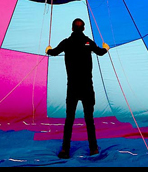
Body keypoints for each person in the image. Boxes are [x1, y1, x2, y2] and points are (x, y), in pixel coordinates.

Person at [45, 18, 109, 158]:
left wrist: (48, 50)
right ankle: (93, 149)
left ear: (72, 29)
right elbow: (100, 52)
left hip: (73, 87)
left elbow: (54, 52)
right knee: (89, 119)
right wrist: (106, 47)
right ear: (84, 29)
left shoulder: (66, 42)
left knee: (69, 119)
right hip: (87, 87)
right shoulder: (88, 42)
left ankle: (65, 150)